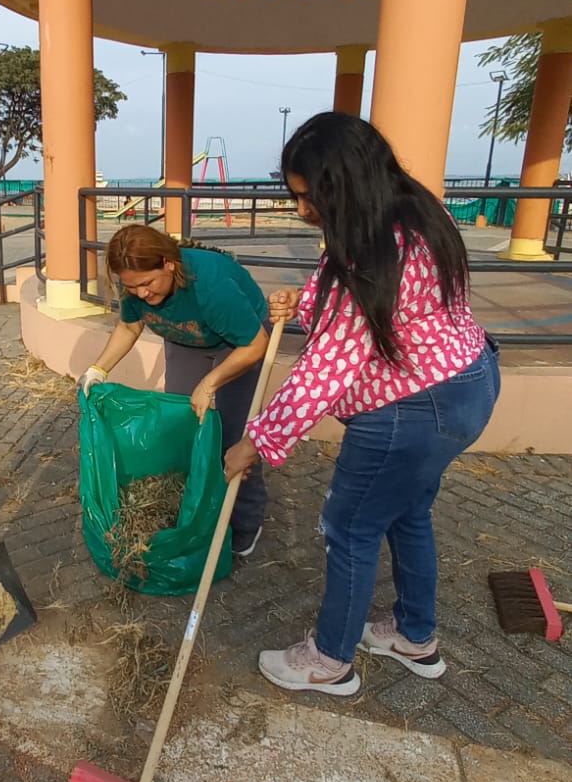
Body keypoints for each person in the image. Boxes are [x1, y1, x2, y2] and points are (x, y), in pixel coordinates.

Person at [224, 112, 499, 695]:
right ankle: (414, 635)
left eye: (311, 197)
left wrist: (257, 442)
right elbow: (381, 308)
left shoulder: (370, 257)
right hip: (468, 383)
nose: (304, 210)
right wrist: (306, 302)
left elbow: (325, 367)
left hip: (412, 410)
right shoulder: (418, 212)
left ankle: (330, 661)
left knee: (348, 527)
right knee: (407, 513)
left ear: (345, 183)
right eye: (296, 197)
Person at [80, 224, 270, 555]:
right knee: (184, 427)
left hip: (239, 341)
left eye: (147, 284)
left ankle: (245, 523)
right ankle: (193, 512)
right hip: (187, 339)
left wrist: (209, 383)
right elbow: (129, 326)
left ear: (169, 264)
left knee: (233, 438)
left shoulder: (210, 285)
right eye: (132, 287)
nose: (141, 294)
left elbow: (256, 344)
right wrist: (98, 369)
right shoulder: (134, 281)